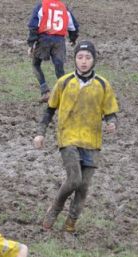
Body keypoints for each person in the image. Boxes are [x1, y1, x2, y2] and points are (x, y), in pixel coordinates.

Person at [33, 41, 119, 234]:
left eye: (88, 57)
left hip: (92, 141)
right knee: (74, 179)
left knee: (84, 187)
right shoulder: (63, 82)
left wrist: (111, 122)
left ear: (94, 60)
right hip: (68, 137)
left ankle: (70, 224)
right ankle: (54, 210)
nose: (83, 61)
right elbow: (50, 110)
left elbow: (110, 112)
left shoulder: (103, 85)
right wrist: (40, 133)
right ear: (74, 60)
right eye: (80, 57)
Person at [27, 0, 79, 102]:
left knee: (36, 64)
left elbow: (33, 25)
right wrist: (73, 39)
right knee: (59, 68)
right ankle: (65, 94)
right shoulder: (64, 7)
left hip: (44, 39)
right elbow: (73, 26)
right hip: (59, 41)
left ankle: (45, 91)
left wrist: (31, 44)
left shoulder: (42, 5)